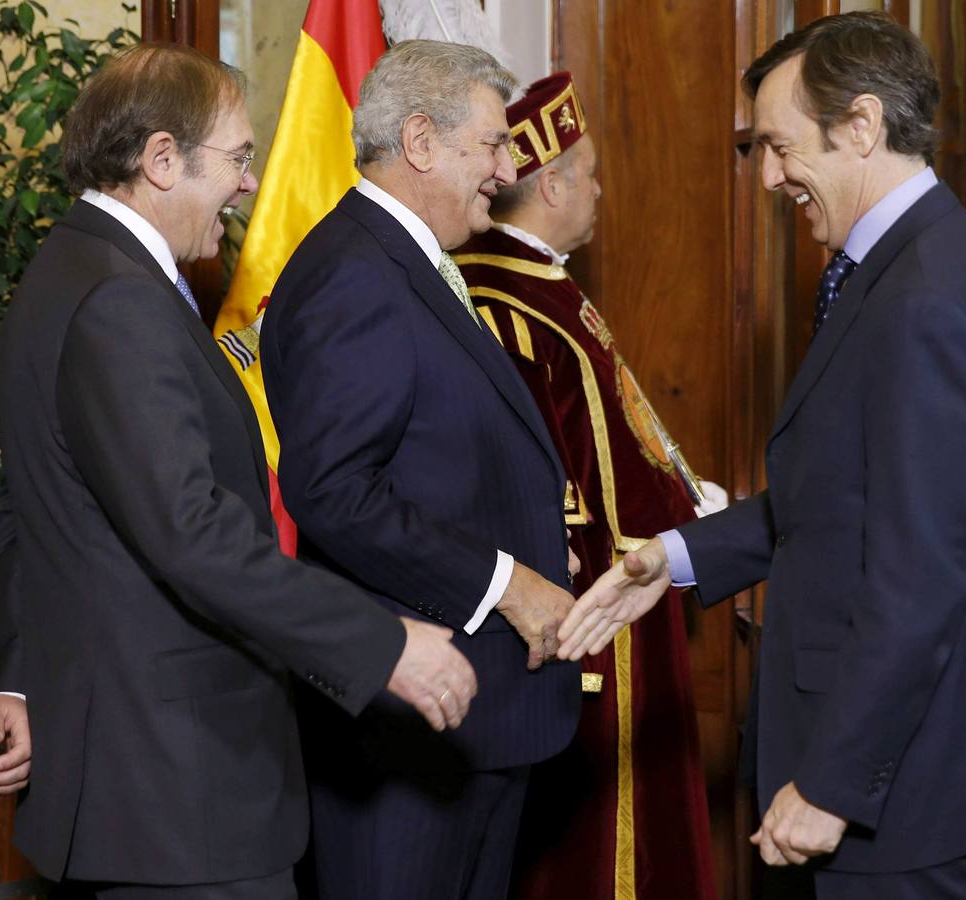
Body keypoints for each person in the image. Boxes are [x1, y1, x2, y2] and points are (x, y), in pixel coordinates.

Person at [0, 42, 477, 899]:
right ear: (161, 159)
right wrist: (381, 644)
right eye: (238, 159)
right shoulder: (122, 301)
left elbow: (25, 508)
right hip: (181, 795)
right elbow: (193, 533)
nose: (248, 185)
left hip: (136, 782)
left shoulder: (64, 269)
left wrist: (16, 677)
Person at [557, 12, 966, 898]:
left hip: (896, 784)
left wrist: (832, 783)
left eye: (779, 147)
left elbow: (920, 573)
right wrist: (672, 558)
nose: (769, 176)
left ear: (860, 125)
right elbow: (843, 499)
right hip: (889, 761)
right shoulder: (905, 266)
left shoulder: (925, 297)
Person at [258, 41, 581, 900]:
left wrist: (532, 540)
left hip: (470, 722)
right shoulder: (353, 275)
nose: (506, 172)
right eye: (493, 144)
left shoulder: (410, 263)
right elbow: (335, 490)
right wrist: (508, 582)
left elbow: (437, 455)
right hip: (406, 732)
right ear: (420, 141)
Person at [454, 72, 720, 900]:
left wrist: (687, 499)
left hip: (632, 579)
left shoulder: (539, 283)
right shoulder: (504, 301)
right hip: (595, 604)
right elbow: (544, 482)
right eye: (591, 173)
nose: (600, 189)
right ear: (553, 183)